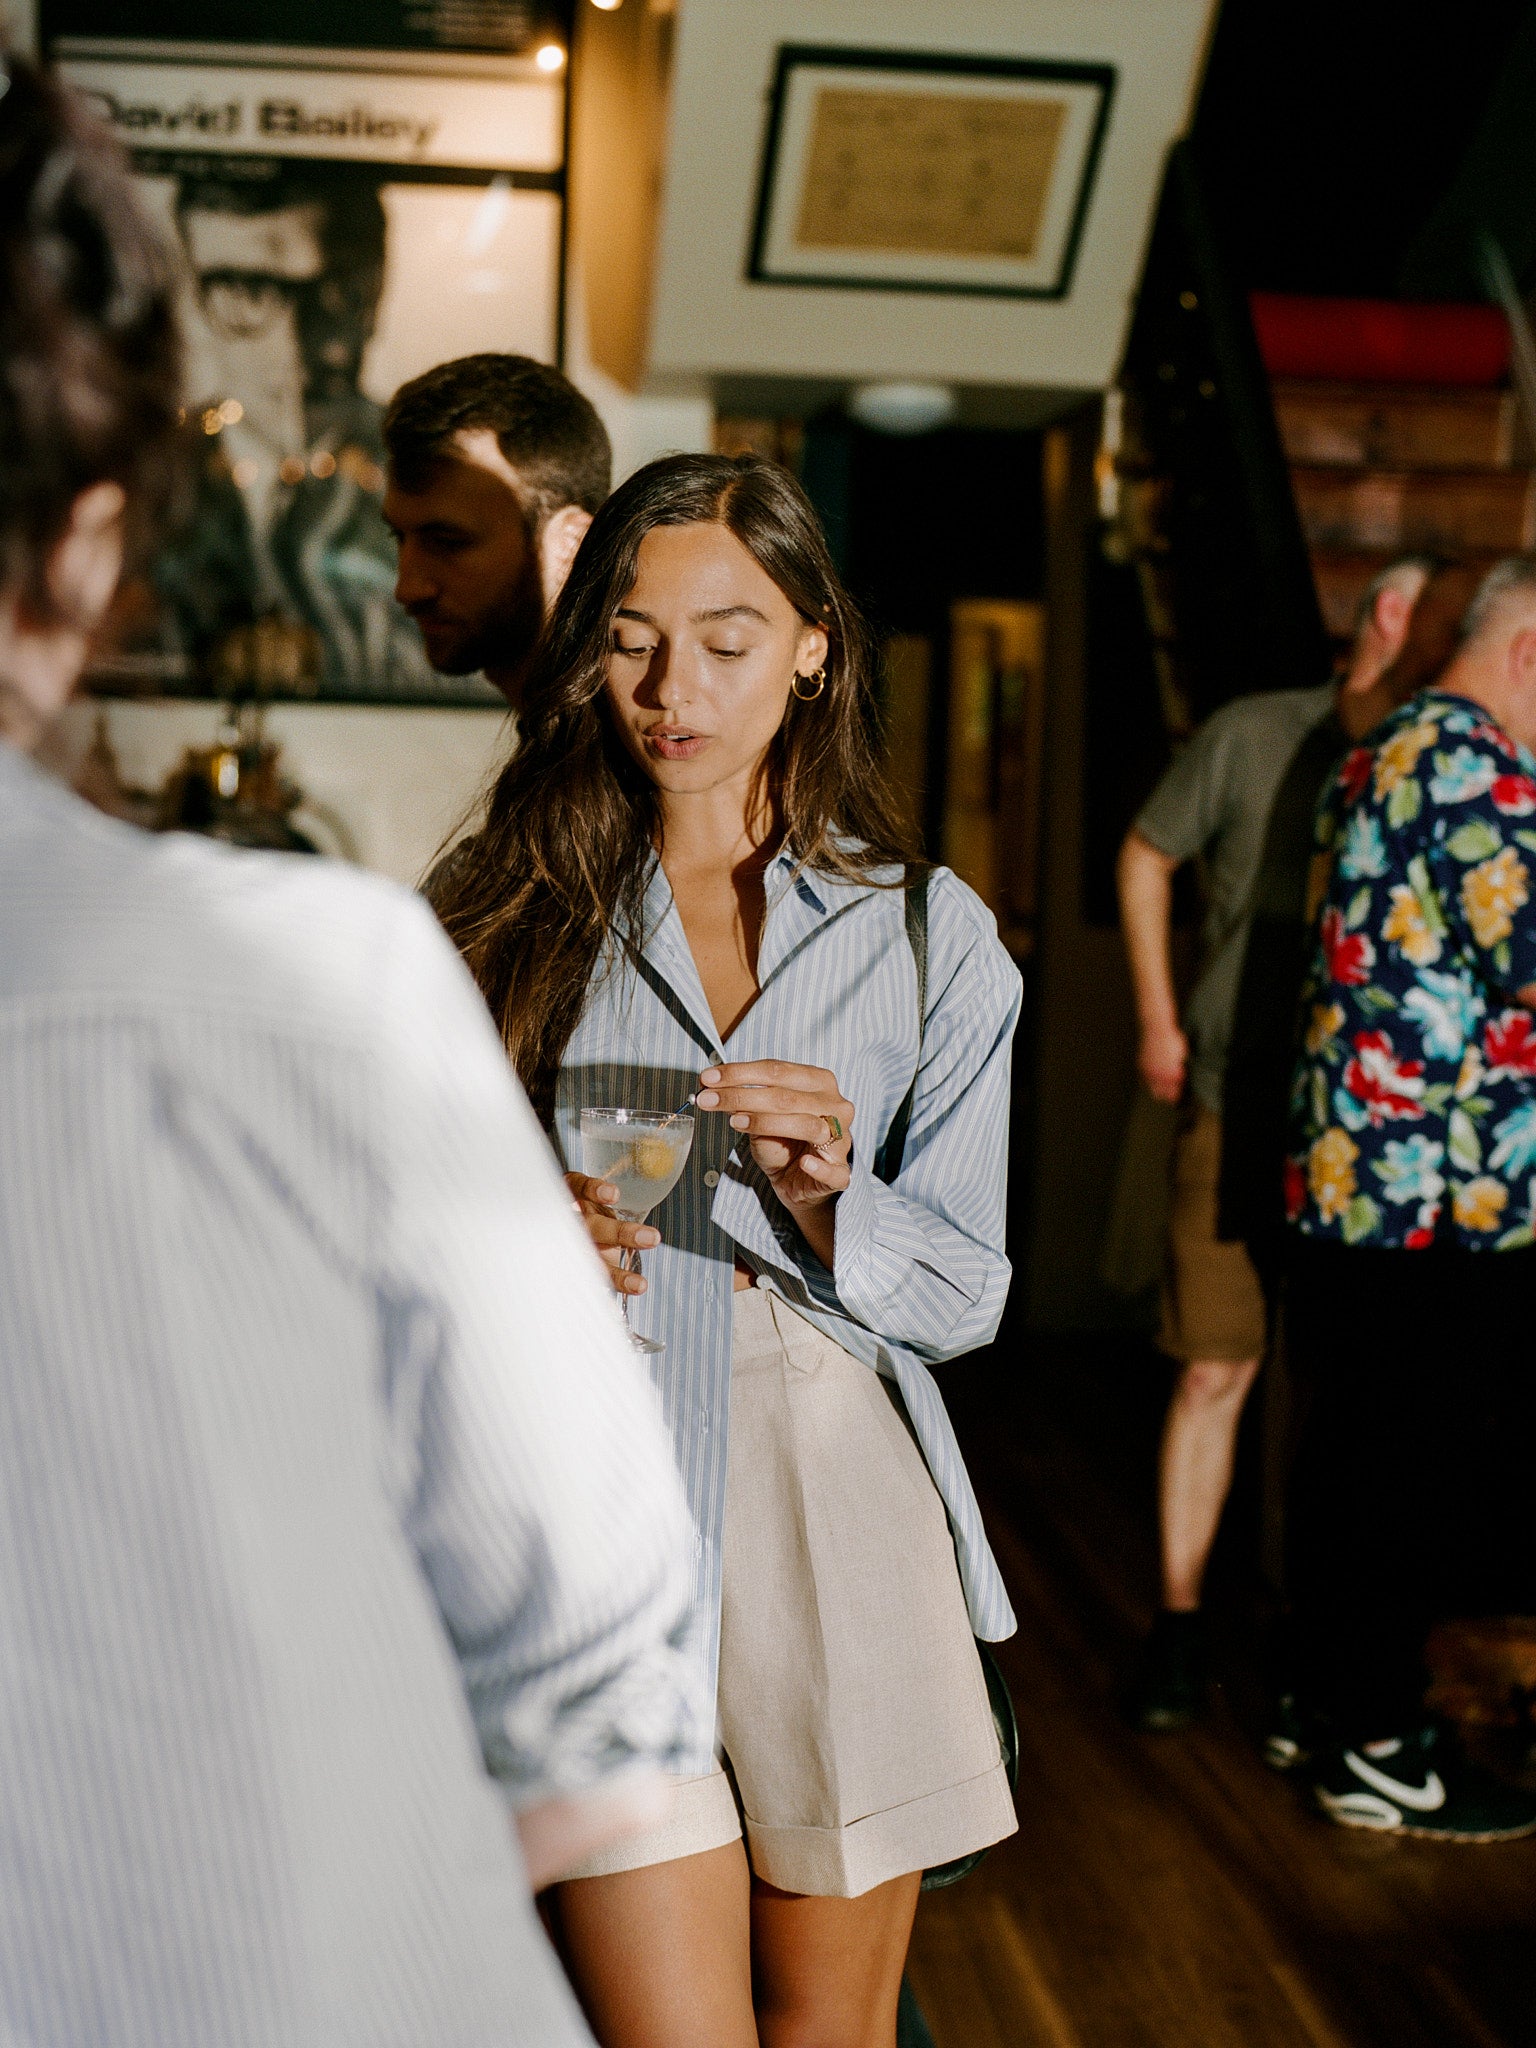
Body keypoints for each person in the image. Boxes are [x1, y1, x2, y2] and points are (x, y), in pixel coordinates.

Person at [0, 53, 702, 2042]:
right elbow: (582, 1634)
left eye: (447, 540)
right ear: (84, 537)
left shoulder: (651, 806)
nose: (402, 583)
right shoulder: (327, 960)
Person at [432, 451, 1021, 2048]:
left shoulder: (927, 937)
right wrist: (519, 1222)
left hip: (830, 1487)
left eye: (727, 637)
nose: (671, 686)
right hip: (590, 1493)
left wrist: (836, 1194)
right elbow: (391, 1214)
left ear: (815, 643)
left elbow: (968, 1293)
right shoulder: (510, 902)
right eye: (630, 638)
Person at [1115, 556, 1430, 1730]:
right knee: (1215, 1366)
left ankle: (1310, 1627)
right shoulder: (1254, 733)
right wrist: (1157, 1013)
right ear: (1384, 617)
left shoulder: (1434, 766)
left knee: (1335, 1388)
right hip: (1236, 1092)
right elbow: (1147, 852)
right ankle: (1181, 1622)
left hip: (1375, 1124)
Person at [1283, 554, 1536, 1842]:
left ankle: (1323, 1698)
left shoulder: (1379, 752)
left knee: (1351, 1455)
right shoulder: (1479, 772)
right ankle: (1379, 1743)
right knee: (1410, 1476)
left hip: (1359, 1183)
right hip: (1439, 1194)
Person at [382, 352, 611, 707]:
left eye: (448, 543)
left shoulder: (630, 748)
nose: (407, 589)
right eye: (399, 537)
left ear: (572, 544)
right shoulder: (560, 740)